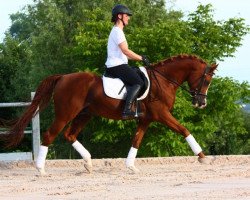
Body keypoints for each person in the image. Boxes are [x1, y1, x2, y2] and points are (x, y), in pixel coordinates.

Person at [105, 4, 150, 119]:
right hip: (116, 66)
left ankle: (132, 107)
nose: (128, 18)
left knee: (136, 74)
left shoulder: (117, 31)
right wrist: (141, 58)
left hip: (118, 64)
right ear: (119, 16)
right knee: (138, 82)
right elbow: (125, 51)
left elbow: (125, 54)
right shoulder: (117, 32)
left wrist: (139, 57)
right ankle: (127, 110)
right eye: (127, 15)